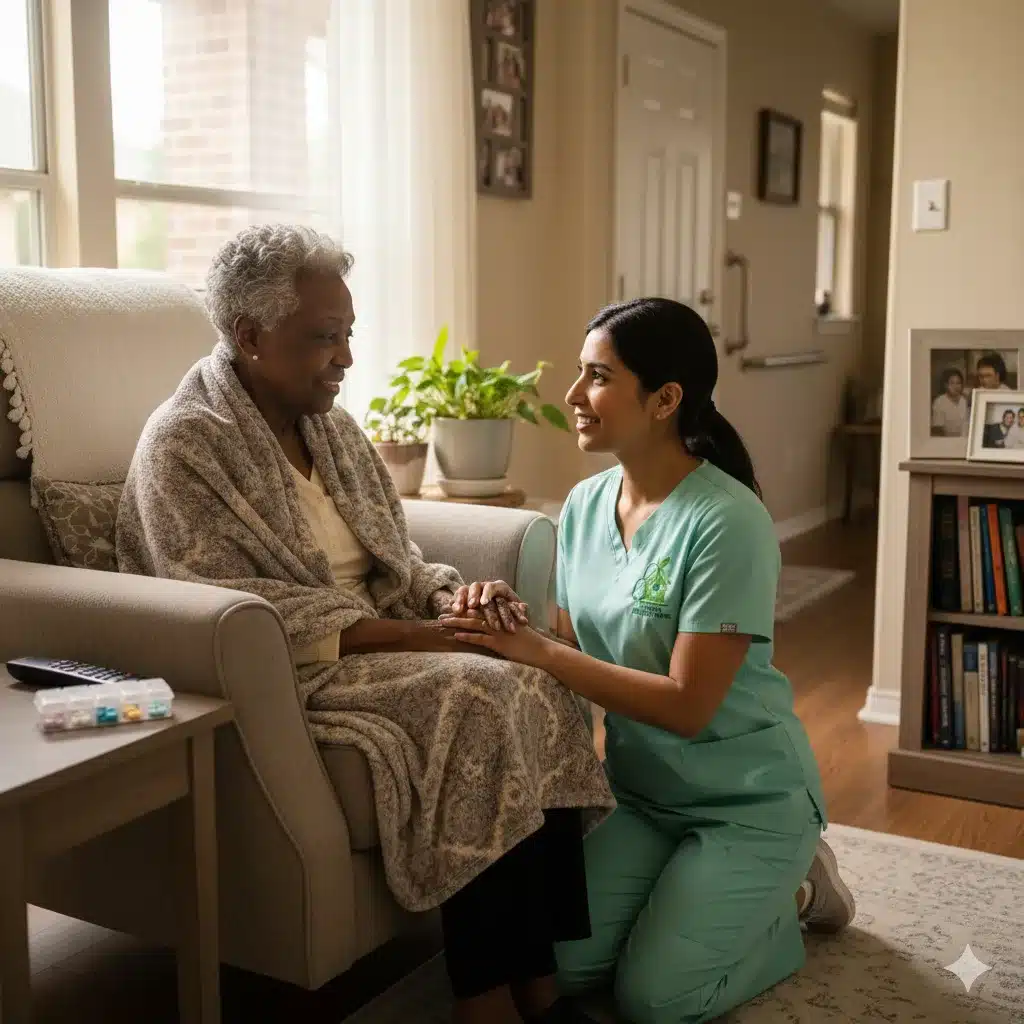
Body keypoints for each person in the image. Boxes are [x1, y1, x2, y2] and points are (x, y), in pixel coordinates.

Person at [115, 224, 613, 1024]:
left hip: (386, 634)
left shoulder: (331, 426)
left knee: (534, 668)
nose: (345, 357)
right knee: (474, 698)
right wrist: (431, 639)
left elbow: (399, 560)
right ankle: (485, 1002)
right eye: (324, 338)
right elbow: (231, 606)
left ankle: (541, 988)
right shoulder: (185, 444)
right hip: (294, 670)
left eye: (348, 334)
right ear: (249, 337)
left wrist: (455, 602)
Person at [441, 297, 856, 1023]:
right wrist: (502, 615)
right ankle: (694, 889)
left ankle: (792, 895)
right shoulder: (582, 506)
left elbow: (689, 706)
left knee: (655, 999)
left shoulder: (728, 522)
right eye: (579, 373)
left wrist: (536, 648)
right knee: (557, 965)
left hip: (747, 801)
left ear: (666, 400)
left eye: (597, 377)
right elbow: (568, 654)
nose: (572, 396)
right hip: (643, 798)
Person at [931, 367, 968, 437]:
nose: (956, 386)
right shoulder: (939, 402)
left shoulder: (964, 400)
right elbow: (937, 428)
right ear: (945, 385)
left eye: (958, 383)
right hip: (947, 442)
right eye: (952, 383)